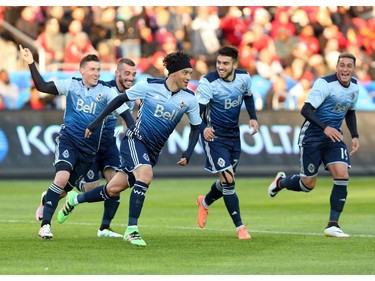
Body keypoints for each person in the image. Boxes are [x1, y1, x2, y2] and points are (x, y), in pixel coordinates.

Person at [56, 50, 202, 247]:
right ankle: (132, 230)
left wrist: (188, 153)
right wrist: (96, 122)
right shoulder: (149, 86)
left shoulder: (190, 99)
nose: (188, 77)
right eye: (185, 72)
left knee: (112, 189)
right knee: (145, 174)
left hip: (153, 151)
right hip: (135, 140)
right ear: (174, 73)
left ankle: (74, 199)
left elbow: (196, 127)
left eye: (190, 73)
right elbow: (118, 100)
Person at [19, 44, 131, 239]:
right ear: (82, 71)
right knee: (61, 177)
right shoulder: (71, 84)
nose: (96, 73)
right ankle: (45, 225)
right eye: (92, 69)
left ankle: (47, 198)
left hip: (89, 152)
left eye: (98, 69)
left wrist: (135, 130)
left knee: (64, 190)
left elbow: (126, 114)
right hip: (68, 141)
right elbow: (42, 87)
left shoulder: (107, 92)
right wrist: (31, 63)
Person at [268, 52, 360, 238]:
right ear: (336, 67)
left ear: (353, 69)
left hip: (333, 137)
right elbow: (306, 109)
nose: (345, 69)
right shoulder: (324, 84)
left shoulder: (355, 87)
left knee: (342, 174)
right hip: (312, 136)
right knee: (307, 184)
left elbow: (350, 111)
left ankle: (333, 224)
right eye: (341, 65)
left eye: (348, 66)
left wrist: (355, 135)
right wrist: (325, 127)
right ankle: (281, 182)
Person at [195, 45, 259, 240]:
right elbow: (197, 111)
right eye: (218, 63)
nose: (221, 67)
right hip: (214, 136)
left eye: (225, 63)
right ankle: (240, 227)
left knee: (225, 183)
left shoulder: (244, 78)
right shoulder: (208, 82)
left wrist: (253, 117)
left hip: (234, 136)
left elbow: (248, 96)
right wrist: (203, 128)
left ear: (234, 64)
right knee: (229, 181)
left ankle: (204, 202)